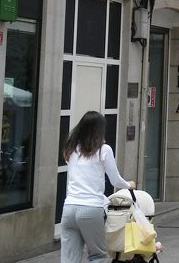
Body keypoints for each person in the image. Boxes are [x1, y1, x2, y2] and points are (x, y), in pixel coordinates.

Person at [61, 111, 135, 262]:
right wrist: (129, 185)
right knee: (97, 255)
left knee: (69, 258)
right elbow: (115, 180)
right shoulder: (104, 150)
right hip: (91, 208)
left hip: (69, 208)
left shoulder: (72, 149)